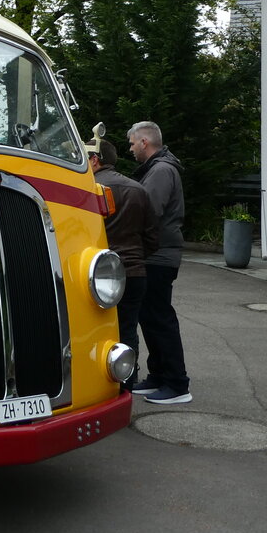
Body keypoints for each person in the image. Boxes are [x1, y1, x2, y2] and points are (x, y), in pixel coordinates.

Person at [127, 120, 190, 405]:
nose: (130, 149)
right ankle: (158, 376)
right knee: (150, 317)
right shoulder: (157, 169)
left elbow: (148, 210)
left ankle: (177, 384)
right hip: (156, 254)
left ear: (144, 142)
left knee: (159, 318)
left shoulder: (161, 170)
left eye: (132, 143)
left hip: (159, 256)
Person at [87, 137, 158, 389]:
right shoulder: (138, 189)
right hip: (134, 270)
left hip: (98, 274)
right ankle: (127, 380)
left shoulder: (88, 188)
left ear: (95, 160)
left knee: (93, 330)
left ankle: (98, 385)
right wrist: (137, 256)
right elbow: (152, 236)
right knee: (128, 328)